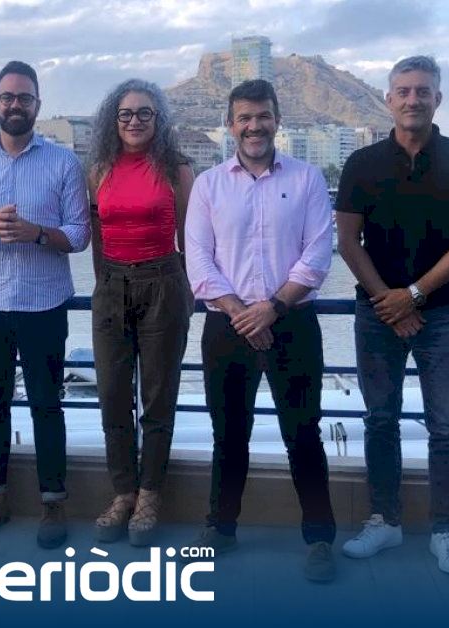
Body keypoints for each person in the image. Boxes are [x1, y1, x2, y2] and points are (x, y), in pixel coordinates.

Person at [335, 55, 449, 575]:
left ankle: (446, 531)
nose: (412, 99)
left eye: (422, 91)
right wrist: (391, 300)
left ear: (437, 99)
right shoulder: (362, 163)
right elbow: (348, 242)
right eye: (403, 91)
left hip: (443, 315)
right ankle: (385, 520)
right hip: (377, 313)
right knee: (380, 419)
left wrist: (415, 295)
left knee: (446, 425)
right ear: (388, 99)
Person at [183, 79, 338, 582]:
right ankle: (220, 529)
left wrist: (271, 309)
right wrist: (240, 312)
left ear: (277, 120)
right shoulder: (209, 185)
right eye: (245, 118)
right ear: (231, 125)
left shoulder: (308, 179)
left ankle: (320, 539)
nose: (255, 126)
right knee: (228, 434)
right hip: (226, 325)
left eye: (263, 116)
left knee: (303, 433)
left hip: (292, 322)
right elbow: (198, 259)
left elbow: (317, 255)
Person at [0, 60, 91, 549]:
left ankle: (54, 501)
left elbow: (79, 234)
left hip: (44, 303)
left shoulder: (63, 163)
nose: (15, 105)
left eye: (24, 98)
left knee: (47, 404)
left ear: (37, 105)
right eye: (7, 97)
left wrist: (36, 234)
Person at [86, 79, 195, 546]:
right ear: (113, 120)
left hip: (163, 281)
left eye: (144, 113)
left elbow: (190, 238)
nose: (134, 121)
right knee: (112, 395)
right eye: (126, 113)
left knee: (158, 396)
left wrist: (186, 293)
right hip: (111, 286)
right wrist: (103, 286)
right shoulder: (98, 169)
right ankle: (123, 493)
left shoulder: (177, 169)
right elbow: (97, 234)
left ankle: (150, 495)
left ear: (158, 119)